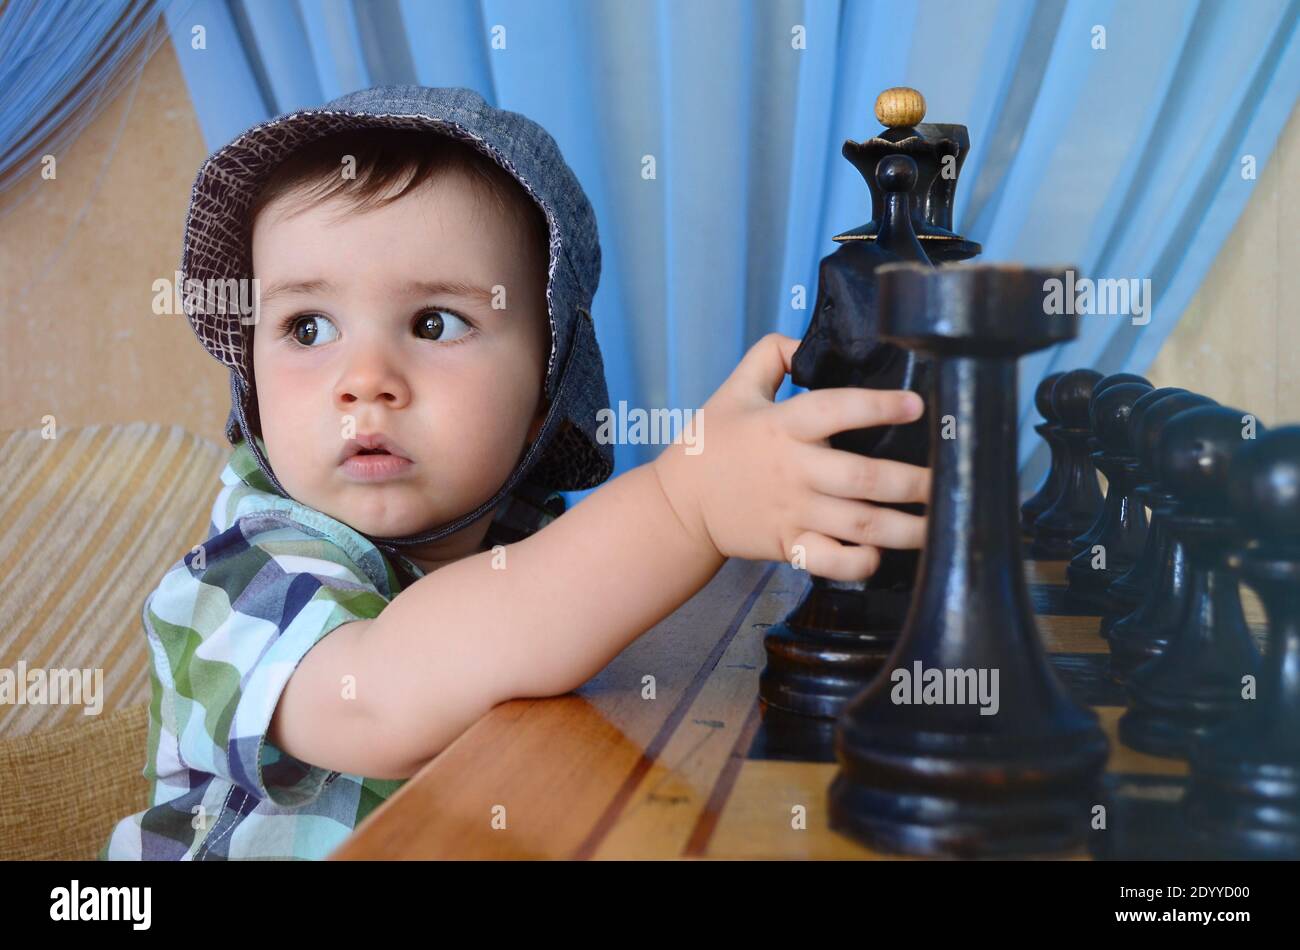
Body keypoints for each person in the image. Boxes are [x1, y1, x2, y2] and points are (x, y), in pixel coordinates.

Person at [102, 85, 928, 859]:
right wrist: (685, 508)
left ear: (549, 385)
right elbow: (384, 692)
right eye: (307, 327)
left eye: (434, 321)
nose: (364, 378)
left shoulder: (540, 547)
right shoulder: (237, 581)